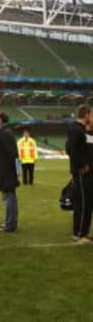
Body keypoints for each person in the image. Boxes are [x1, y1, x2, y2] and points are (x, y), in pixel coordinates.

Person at [65, 104, 92, 243]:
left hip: (83, 172)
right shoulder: (76, 130)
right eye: (90, 114)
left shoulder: (81, 130)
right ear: (86, 114)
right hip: (81, 172)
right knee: (81, 202)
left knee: (86, 202)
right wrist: (81, 165)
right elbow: (70, 149)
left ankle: (83, 232)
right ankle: (78, 234)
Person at [0, 111, 19, 233]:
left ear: (1, 120)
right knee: (8, 198)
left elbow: (13, 154)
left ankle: (10, 225)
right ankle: (9, 223)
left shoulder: (4, 134)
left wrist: (15, 171)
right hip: (7, 171)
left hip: (7, 172)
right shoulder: (5, 133)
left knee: (9, 198)